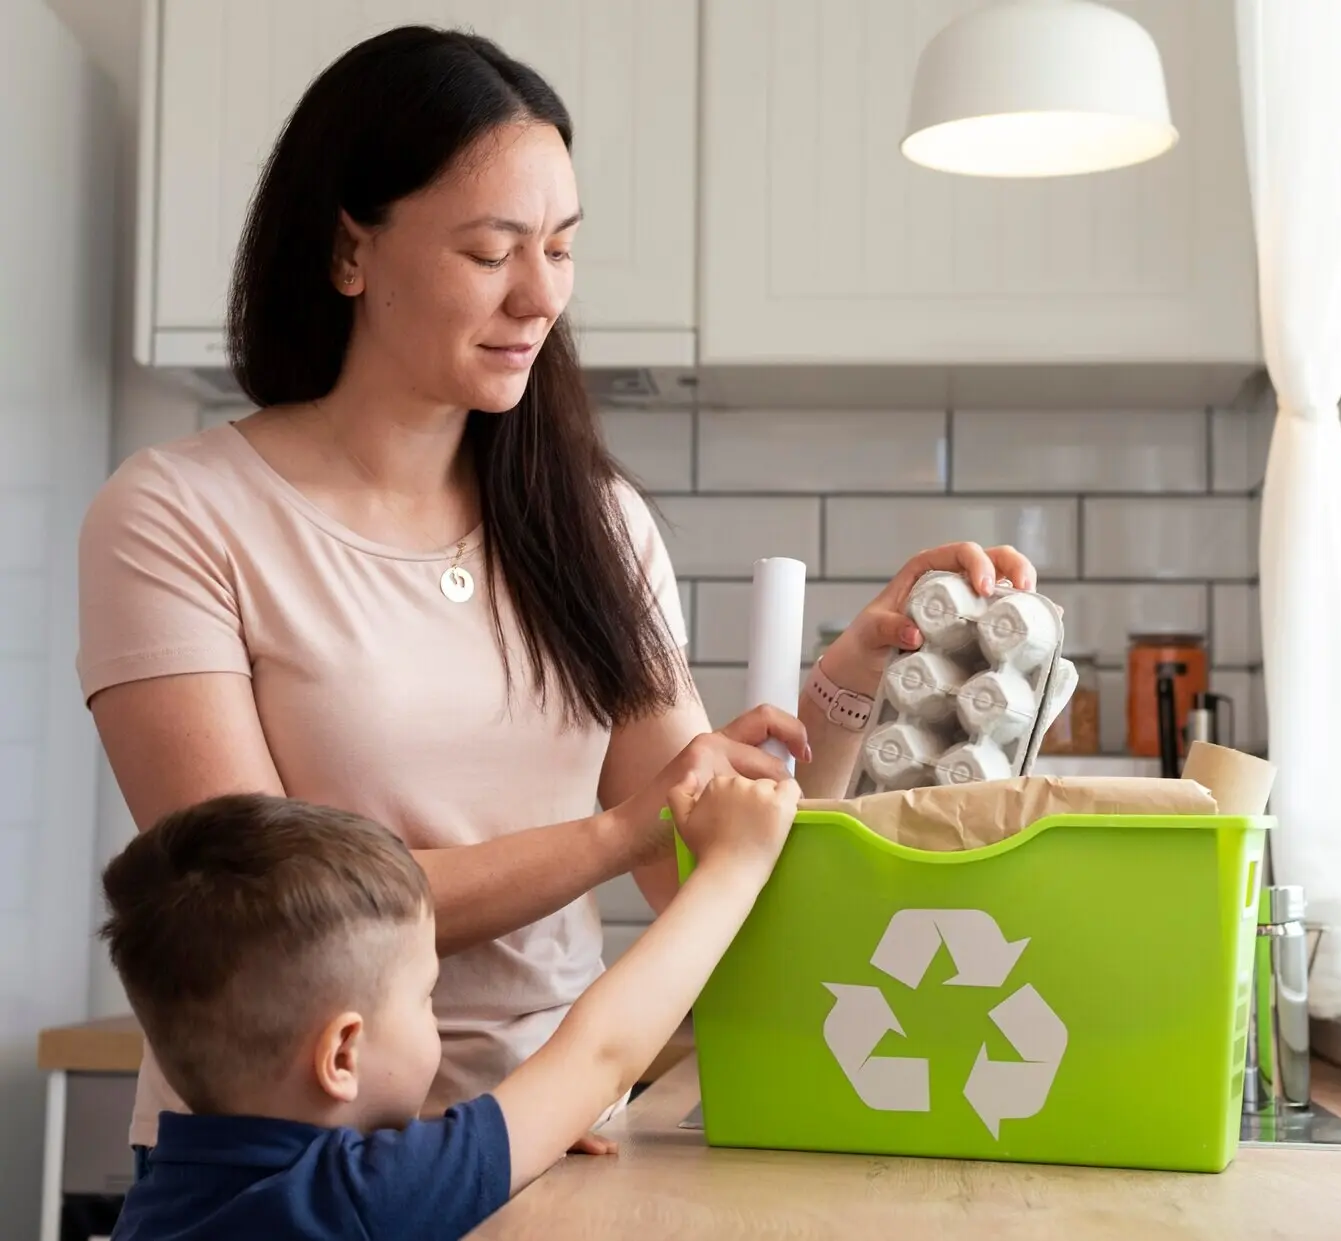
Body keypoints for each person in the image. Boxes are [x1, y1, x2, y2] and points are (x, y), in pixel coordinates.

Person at [76, 24, 1038, 1167]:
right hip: (289, 1168)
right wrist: (618, 826)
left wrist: (847, 685)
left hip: (552, 1139)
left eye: (562, 248)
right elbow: (266, 927)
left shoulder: (591, 520)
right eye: (492, 251)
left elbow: (694, 857)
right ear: (350, 251)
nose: (541, 295)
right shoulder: (177, 515)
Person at [101, 775, 800, 1239]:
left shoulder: (163, 1195)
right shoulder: (358, 1197)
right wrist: (736, 863)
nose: (432, 1011)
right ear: (343, 1053)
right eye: (426, 994)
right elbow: (602, 1054)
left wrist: (517, 1135)